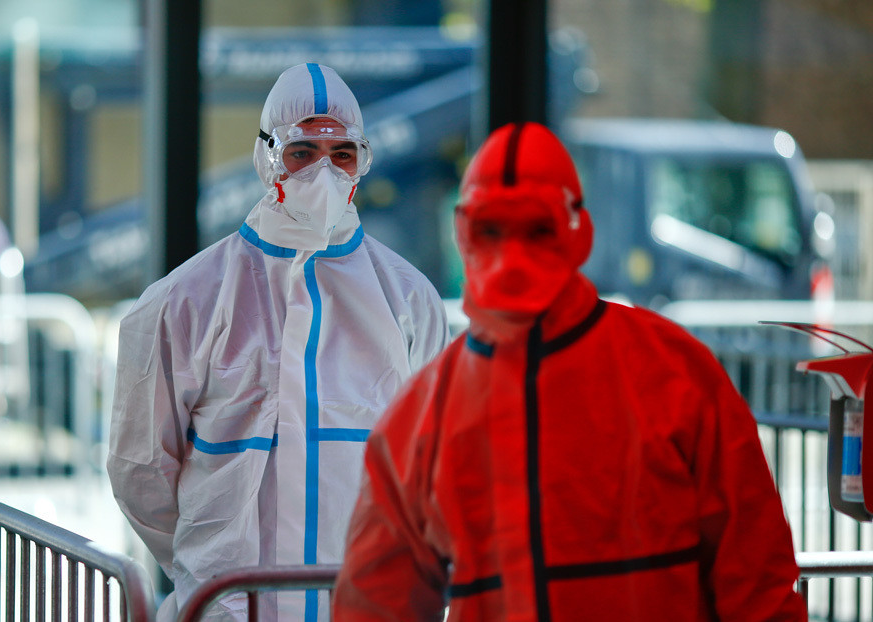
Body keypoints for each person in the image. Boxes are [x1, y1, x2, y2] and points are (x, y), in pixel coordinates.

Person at [331, 122, 807, 621]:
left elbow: (758, 584)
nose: (513, 254)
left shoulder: (425, 415)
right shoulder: (674, 370)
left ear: (578, 231)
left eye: (535, 229)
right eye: (493, 229)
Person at [107, 62, 451, 621]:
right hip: (231, 607)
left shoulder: (409, 302)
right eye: (302, 154)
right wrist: (209, 567)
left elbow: (434, 470)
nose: (325, 173)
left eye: (342, 156)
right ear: (268, 159)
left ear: (362, 162)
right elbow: (140, 466)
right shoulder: (187, 300)